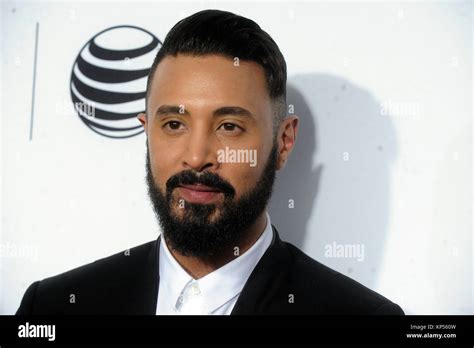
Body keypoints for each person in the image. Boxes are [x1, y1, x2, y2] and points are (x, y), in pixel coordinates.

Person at [16, 9, 404, 315]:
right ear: (146, 131)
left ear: (284, 142)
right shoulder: (54, 306)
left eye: (230, 126)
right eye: (173, 123)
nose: (198, 156)